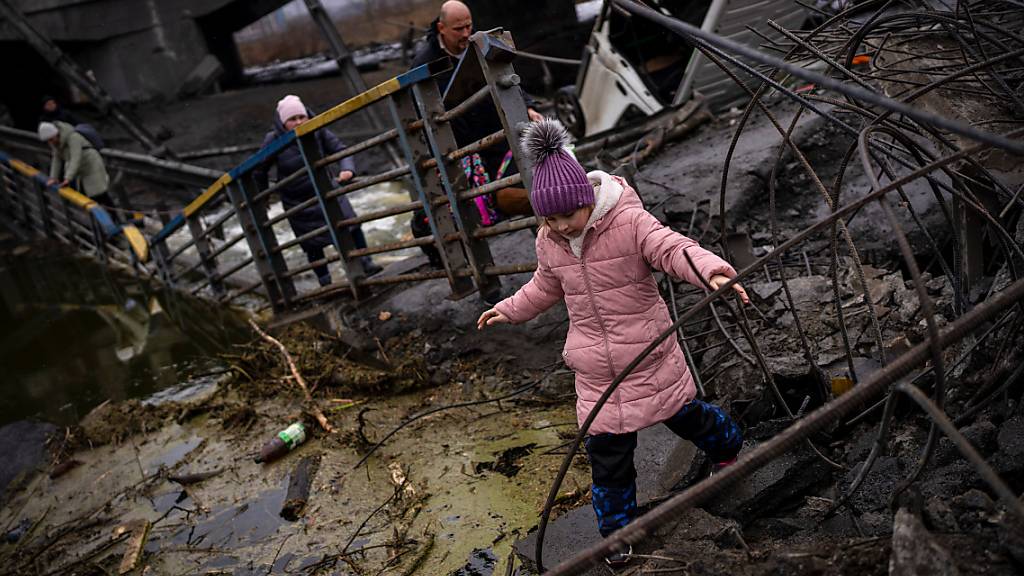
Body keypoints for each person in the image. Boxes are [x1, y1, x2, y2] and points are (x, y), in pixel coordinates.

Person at [476, 119, 747, 568]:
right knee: (607, 457)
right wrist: (510, 308)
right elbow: (544, 287)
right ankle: (616, 533)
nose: (562, 226)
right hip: (595, 368)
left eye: (569, 215)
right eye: (551, 218)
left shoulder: (628, 221)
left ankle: (728, 451)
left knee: (686, 415)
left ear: (588, 199)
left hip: (646, 353)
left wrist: (710, 272)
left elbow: (671, 247)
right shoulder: (551, 241)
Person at [408, 1, 539, 278]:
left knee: (532, 182)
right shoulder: (423, 63)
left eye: (469, 25)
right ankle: (465, 265)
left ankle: (552, 250)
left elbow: (504, 73)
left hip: (497, 130)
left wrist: (526, 105)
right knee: (464, 205)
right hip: (461, 143)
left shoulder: (479, 43)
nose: (466, 32)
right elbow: (424, 115)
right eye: (459, 28)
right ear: (441, 28)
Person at [253, 95, 382, 287]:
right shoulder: (273, 139)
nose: (298, 123)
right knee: (312, 243)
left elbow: (339, 148)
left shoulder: (318, 128)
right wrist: (263, 195)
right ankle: (325, 281)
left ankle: (366, 263)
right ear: (283, 122)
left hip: (327, 189)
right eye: (292, 120)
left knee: (351, 225)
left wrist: (347, 168)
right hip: (297, 201)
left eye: (301, 117)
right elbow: (259, 169)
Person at [38, 121, 111, 207]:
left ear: (56, 134)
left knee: (99, 193)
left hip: (91, 165)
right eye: (48, 141)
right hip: (80, 168)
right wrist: (53, 177)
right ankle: (106, 217)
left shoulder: (73, 137)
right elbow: (56, 159)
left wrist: (68, 178)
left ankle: (116, 217)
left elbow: (75, 158)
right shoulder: (56, 142)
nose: (50, 143)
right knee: (89, 195)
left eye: (51, 139)